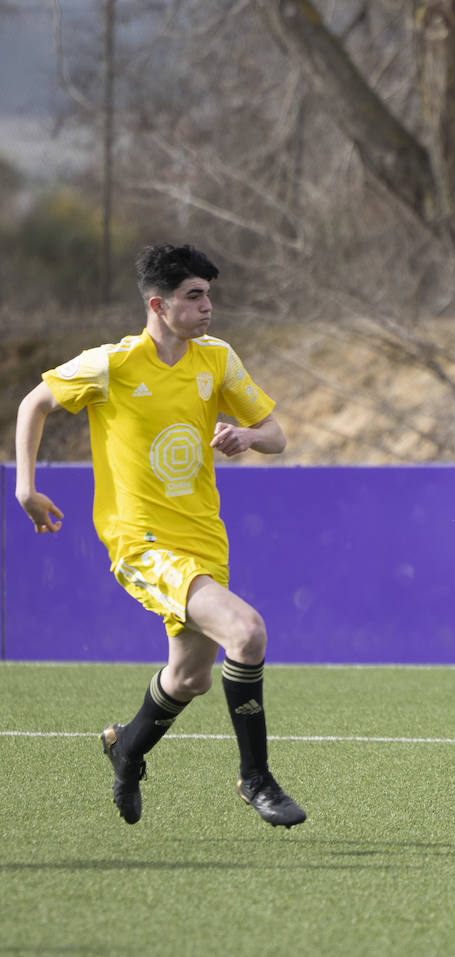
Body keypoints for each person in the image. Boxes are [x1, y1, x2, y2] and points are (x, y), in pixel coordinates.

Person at [13, 243, 306, 829]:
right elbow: (34, 403)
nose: (208, 307)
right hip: (140, 542)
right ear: (158, 304)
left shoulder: (216, 360)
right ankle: (256, 780)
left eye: (209, 295)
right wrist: (26, 487)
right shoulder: (110, 365)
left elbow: (276, 435)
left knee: (191, 677)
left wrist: (247, 440)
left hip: (203, 537)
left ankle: (126, 748)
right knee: (247, 633)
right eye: (194, 296)